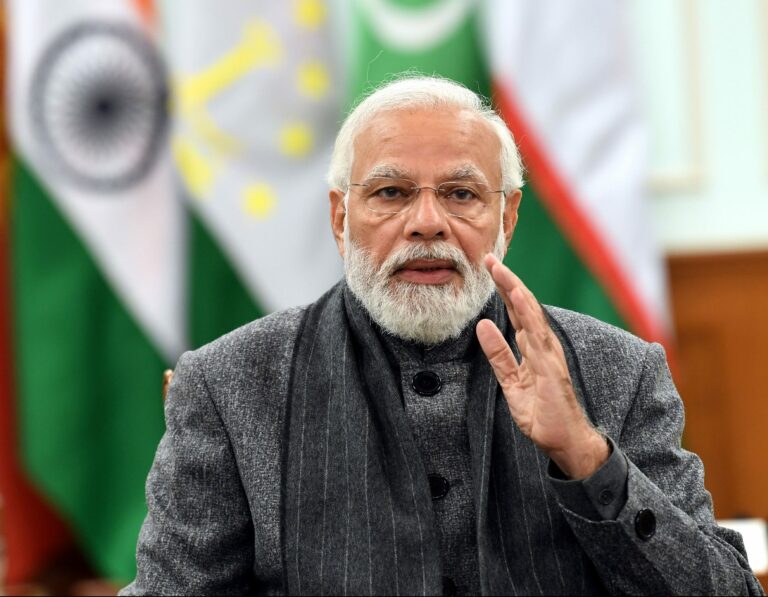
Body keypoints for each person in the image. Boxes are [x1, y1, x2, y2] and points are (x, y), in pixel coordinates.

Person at [120, 76, 763, 596]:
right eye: (391, 192)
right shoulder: (232, 385)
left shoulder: (619, 371)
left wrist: (589, 458)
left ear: (506, 216)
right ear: (341, 217)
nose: (427, 222)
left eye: (461, 194)